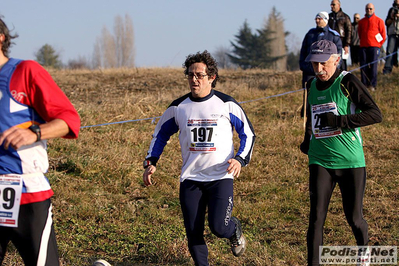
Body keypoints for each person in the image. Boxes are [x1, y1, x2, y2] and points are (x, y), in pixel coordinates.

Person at [142, 50, 255, 266]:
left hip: (220, 177)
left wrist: (240, 159)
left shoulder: (226, 104)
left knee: (218, 227)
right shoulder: (178, 107)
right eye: (190, 74)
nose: (194, 79)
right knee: (193, 232)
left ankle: (234, 229)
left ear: (212, 77)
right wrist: (151, 162)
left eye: (199, 75)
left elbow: (248, 133)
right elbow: (160, 134)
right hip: (191, 178)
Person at [0, 17, 80, 265]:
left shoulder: (24, 71)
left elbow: (69, 120)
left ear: (1, 37)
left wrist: (34, 132)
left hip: (26, 193)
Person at [299, 40, 382, 266]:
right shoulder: (311, 85)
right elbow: (311, 116)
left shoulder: (347, 81)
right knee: (316, 219)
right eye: (315, 64)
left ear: (336, 60)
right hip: (320, 160)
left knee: (354, 218)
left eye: (324, 63)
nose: (319, 69)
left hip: (350, 162)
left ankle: (363, 255)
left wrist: (339, 121)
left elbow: (375, 114)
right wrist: (307, 140)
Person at [300, 11, 342, 89]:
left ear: (325, 20)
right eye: (316, 19)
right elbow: (303, 50)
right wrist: (303, 65)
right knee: (309, 93)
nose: (317, 21)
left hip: (326, 72)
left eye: (320, 19)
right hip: (309, 71)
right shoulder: (310, 34)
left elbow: (339, 53)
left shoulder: (333, 35)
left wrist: (335, 69)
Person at [358, 3, 386, 91]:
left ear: (373, 9)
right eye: (367, 9)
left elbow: (383, 35)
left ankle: (372, 84)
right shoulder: (361, 22)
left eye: (370, 9)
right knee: (363, 65)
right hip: (363, 46)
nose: (368, 10)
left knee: (373, 66)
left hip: (374, 47)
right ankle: (364, 84)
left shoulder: (379, 20)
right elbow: (360, 33)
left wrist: (378, 45)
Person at [328, 0, 352, 70]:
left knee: (342, 62)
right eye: (331, 5)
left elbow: (349, 31)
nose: (332, 6)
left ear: (339, 5)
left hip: (342, 42)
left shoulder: (345, 17)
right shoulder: (329, 17)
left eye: (333, 5)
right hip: (331, 42)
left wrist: (346, 44)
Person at [383, 0, 399, 74]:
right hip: (392, 33)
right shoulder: (391, 10)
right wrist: (392, 17)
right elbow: (386, 22)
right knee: (390, 51)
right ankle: (387, 69)